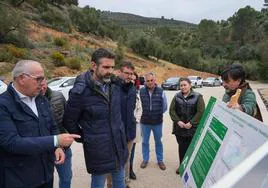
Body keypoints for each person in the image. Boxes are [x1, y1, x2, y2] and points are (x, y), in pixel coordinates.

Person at [0, 60, 79, 188]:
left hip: (46, 176)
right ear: (21, 78)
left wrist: (57, 147)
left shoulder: (40, 99)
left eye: (43, 78)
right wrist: (55, 141)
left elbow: (52, 126)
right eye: (38, 79)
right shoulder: (3, 105)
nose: (43, 83)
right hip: (18, 179)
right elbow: (11, 143)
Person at [63, 48, 128, 188]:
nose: (110, 71)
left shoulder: (114, 85)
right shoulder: (80, 92)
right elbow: (69, 120)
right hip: (98, 150)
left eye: (112, 67)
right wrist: (85, 137)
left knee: (120, 181)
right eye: (105, 67)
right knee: (98, 183)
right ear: (94, 66)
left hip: (118, 146)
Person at [107, 61, 136, 188]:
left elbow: (133, 108)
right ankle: (110, 184)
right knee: (113, 160)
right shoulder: (111, 87)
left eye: (131, 74)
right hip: (114, 132)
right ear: (119, 72)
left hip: (129, 131)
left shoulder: (133, 89)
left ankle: (126, 183)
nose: (129, 76)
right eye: (126, 73)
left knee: (126, 159)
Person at [169, 77, 205, 174]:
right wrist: (178, 121)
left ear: (190, 85)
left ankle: (191, 168)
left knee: (192, 149)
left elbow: (201, 112)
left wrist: (191, 123)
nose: (183, 87)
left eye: (185, 85)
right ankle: (182, 166)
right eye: (181, 85)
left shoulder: (198, 97)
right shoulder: (176, 97)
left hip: (192, 129)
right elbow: (172, 110)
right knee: (182, 148)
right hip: (179, 129)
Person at [41, 79, 73, 188]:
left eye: (43, 83)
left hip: (63, 147)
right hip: (43, 150)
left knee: (66, 178)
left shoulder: (58, 96)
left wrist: (68, 136)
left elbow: (68, 119)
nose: (42, 87)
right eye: (38, 84)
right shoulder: (31, 100)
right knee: (46, 180)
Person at [139, 72, 167, 170]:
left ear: (155, 80)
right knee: (145, 142)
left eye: (152, 80)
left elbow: (165, 106)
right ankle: (145, 159)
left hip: (157, 122)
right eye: (148, 81)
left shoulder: (161, 91)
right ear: (145, 82)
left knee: (158, 141)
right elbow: (138, 106)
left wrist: (157, 113)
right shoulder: (141, 91)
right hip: (145, 122)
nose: (150, 82)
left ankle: (160, 160)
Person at [129, 72, 142, 180]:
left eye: (134, 80)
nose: (132, 82)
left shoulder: (137, 93)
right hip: (123, 126)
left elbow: (139, 109)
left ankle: (130, 170)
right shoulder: (119, 91)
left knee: (132, 150)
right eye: (130, 79)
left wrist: (136, 119)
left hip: (134, 125)